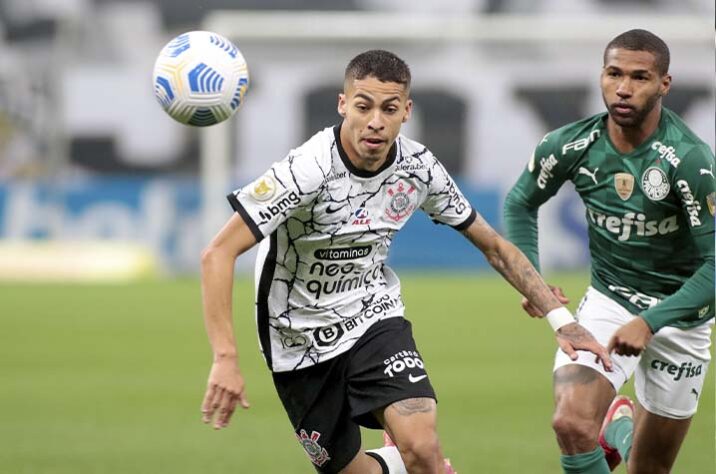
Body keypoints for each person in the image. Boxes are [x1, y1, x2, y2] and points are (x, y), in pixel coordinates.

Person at [200, 49, 611, 474]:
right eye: (363, 106)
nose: (375, 121)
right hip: (297, 342)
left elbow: (493, 245)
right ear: (343, 105)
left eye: (389, 108)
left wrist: (562, 319)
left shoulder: (418, 167)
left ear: (406, 111)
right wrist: (226, 359)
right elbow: (217, 253)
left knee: (422, 448)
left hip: (373, 318)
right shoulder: (307, 169)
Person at [504, 29, 715, 474]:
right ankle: (612, 426)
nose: (623, 87)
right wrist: (532, 280)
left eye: (640, 77)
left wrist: (651, 321)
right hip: (609, 302)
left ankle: (620, 429)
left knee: (649, 468)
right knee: (570, 422)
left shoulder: (689, 161)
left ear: (664, 85)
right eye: (613, 73)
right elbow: (520, 201)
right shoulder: (570, 145)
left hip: (682, 318)